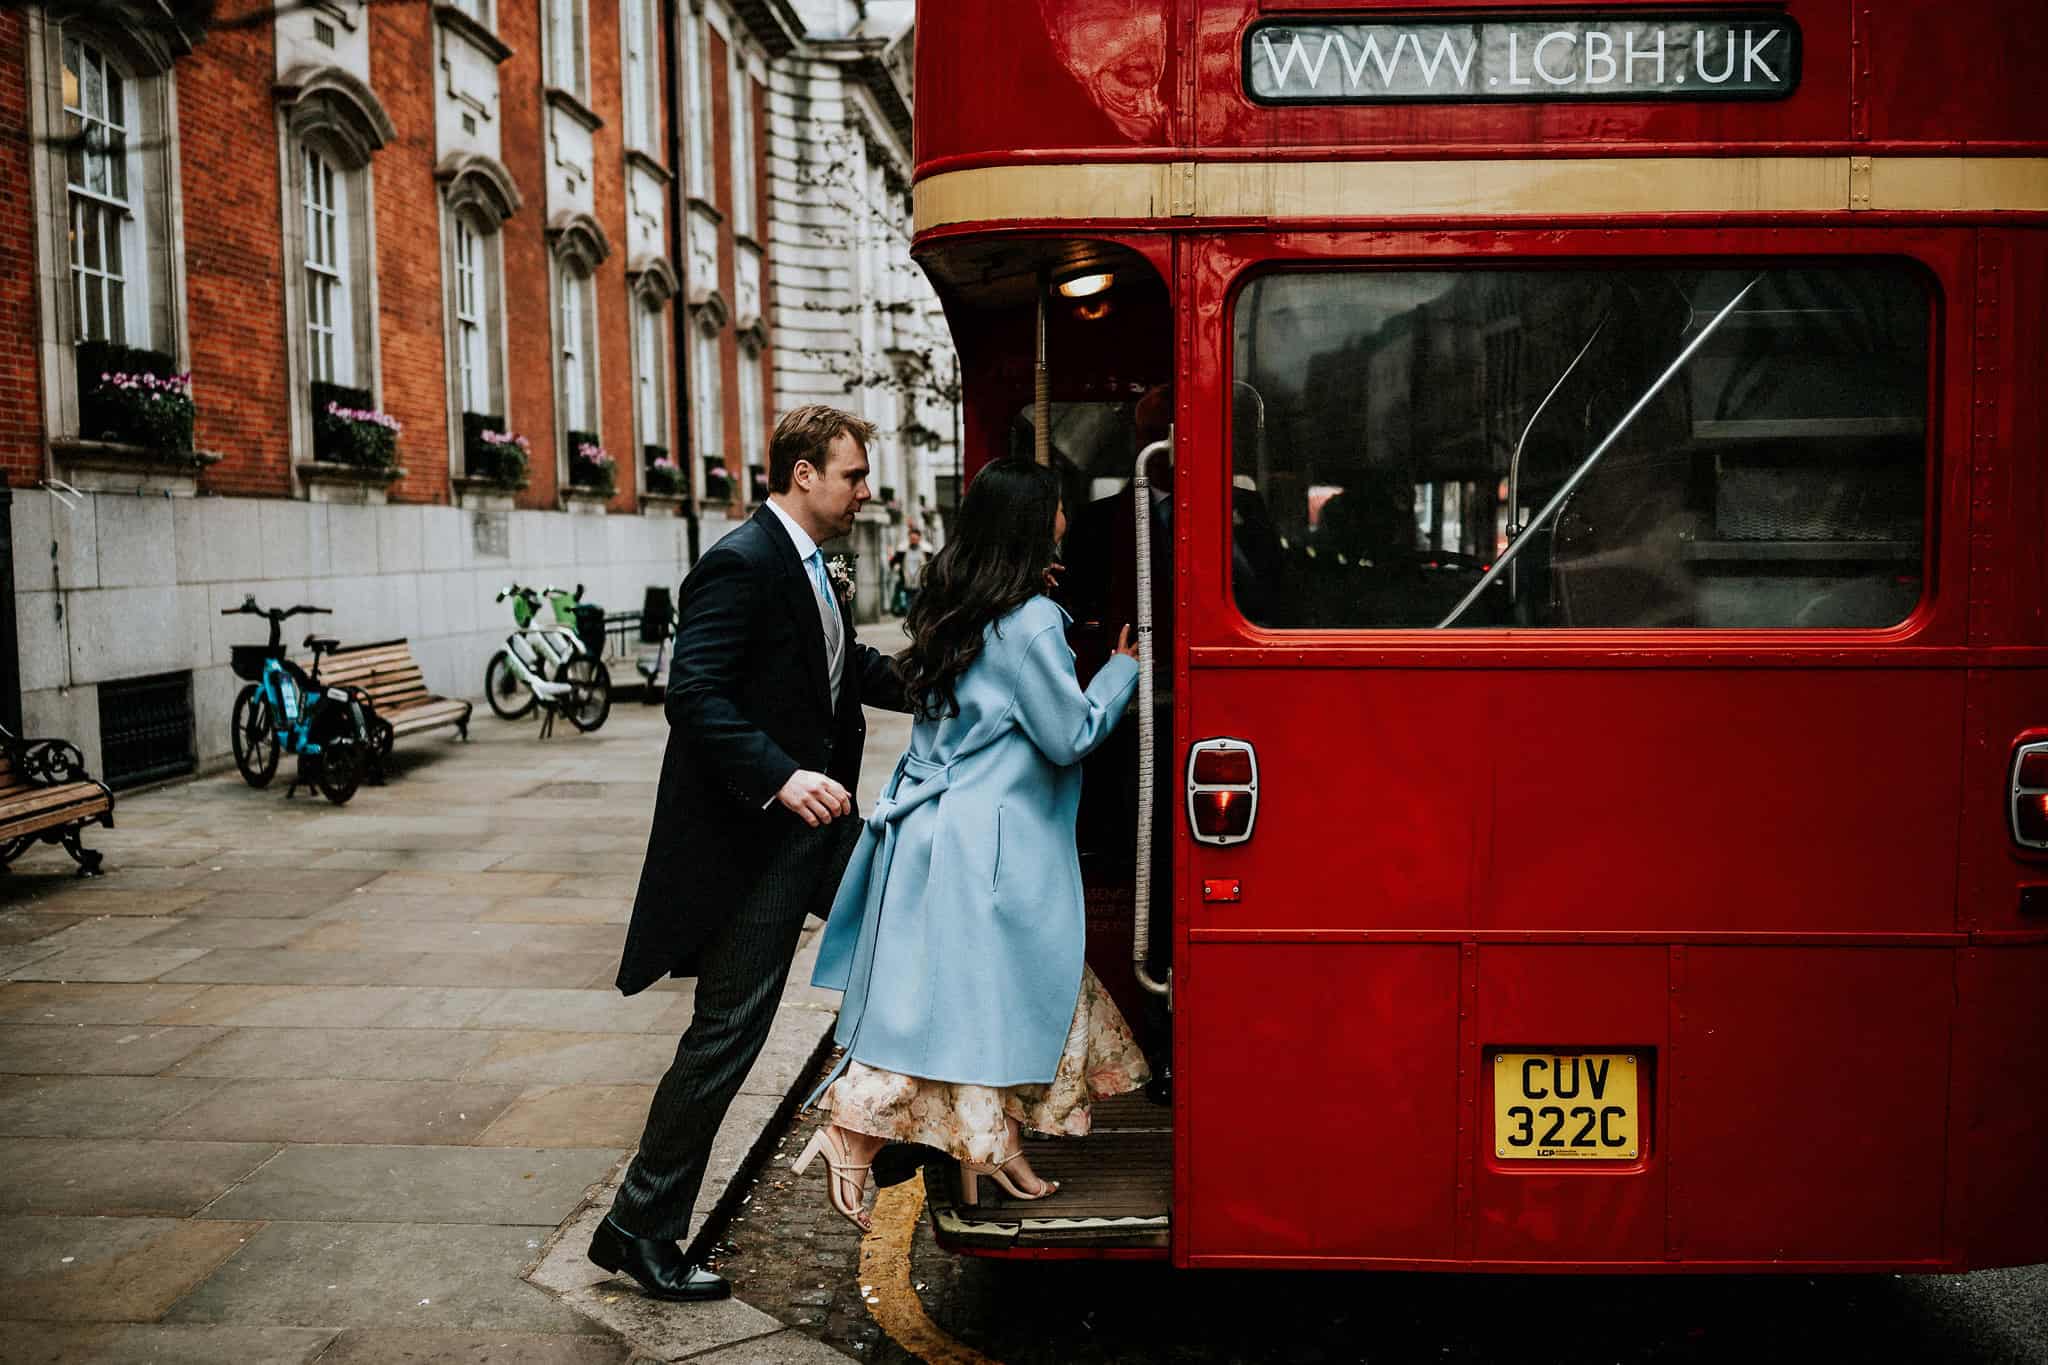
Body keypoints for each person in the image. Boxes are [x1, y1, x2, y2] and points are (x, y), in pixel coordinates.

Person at [591, 405, 910, 1302]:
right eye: (853, 474)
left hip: (814, 827)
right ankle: (642, 1226)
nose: (864, 490)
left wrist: (952, 675)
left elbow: (847, 670)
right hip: (760, 840)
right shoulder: (740, 562)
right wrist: (782, 777)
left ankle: (901, 1131)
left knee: (913, 924)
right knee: (729, 1032)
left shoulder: (816, 563)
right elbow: (692, 694)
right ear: (803, 473)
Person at [793, 457, 1151, 1228]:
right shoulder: (1030, 621)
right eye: (1057, 507)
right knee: (970, 1010)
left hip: (931, 828)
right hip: (993, 847)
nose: (1066, 518)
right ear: (1035, 521)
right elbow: (1068, 735)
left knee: (971, 1003)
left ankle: (998, 1145)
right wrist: (1122, 672)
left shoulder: (956, 598)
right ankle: (850, 1139)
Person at [887, 526, 928, 618]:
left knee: (919, 604)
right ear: (909, 538)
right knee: (908, 604)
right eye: (912, 538)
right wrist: (896, 568)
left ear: (919, 539)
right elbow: (892, 562)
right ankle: (910, 620)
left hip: (920, 583)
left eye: (915, 539)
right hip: (907, 583)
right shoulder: (903, 552)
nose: (913, 540)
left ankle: (916, 620)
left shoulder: (926, 551)